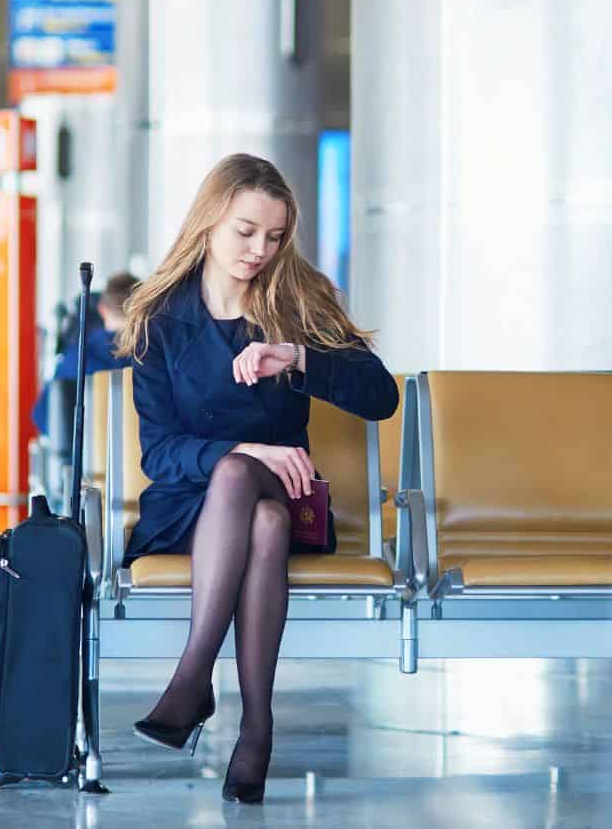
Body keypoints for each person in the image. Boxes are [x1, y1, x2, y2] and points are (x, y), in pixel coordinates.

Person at [113, 153, 398, 804]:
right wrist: (243, 450)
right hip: (188, 509)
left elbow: (380, 396)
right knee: (252, 501)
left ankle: (192, 679)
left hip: (291, 497)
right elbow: (159, 454)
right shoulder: (161, 317)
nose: (258, 250)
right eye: (245, 231)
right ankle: (258, 730)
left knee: (260, 496)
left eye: (273, 237)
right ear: (210, 221)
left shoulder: (299, 299)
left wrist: (298, 357)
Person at [30, 272, 138, 435]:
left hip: (81, 456)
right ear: (143, 308)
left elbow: (43, 418)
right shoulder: (155, 356)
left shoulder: (78, 355)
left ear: (102, 309)